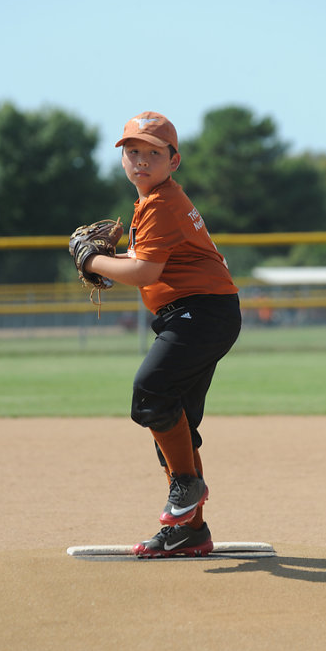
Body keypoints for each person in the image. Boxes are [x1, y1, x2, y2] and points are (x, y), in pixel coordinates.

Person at [83, 111, 241, 557]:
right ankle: (192, 530)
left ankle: (187, 484)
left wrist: (91, 261)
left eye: (153, 153)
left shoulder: (160, 203)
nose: (141, 160)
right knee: (174, 424)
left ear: (174, 161)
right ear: (122, 159)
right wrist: (110, 261)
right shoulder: (155, 202)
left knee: (151, 393)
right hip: (202, 313)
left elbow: (144, 272)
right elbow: (144, 263)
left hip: (201, 312)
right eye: (132, 151)